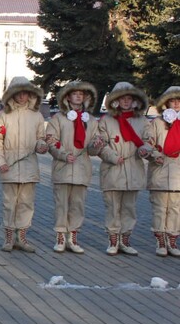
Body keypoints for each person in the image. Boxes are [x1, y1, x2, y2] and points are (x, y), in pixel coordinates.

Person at [0, 77, 48, 253]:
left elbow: (41, 138)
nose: (22, 96)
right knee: (9, 203)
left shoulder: (36, 115)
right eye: (18, 92)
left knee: (26, 203)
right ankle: (8, 238)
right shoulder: (3, 115)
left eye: (25, 92)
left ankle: (22, 237)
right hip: (10, 165)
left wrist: (41, 145)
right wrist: (1, 162)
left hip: (29, 166)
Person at [45, 81, 103, 254]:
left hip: (82, 168)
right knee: (61, 204)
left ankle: (73, 236)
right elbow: (51, 140)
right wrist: (63, 154)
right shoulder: (58, 119)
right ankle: (61, 237)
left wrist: (96, 144)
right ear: (67, 97)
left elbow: (93, 147)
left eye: (81, 94)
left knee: (78, 205)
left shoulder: (91, 121)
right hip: (63, 168)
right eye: (75, 93)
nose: (78, 96)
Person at [96, 82, 151, 256]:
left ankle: (125, 240)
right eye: (122, 99)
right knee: (113, 207)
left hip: (133, 169)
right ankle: (113, 241)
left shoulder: (142, 121)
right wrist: (112, 156)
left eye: (129, 98)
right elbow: (100, 144)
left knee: (129, 208)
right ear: (115, 101)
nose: (126, 102)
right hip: (113, 170)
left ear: (134, 101)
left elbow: (149, 141)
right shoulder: (106, 121)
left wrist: (145, 150)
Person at [144, 86, 180, 257]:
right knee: (160, 209)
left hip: (178, 174)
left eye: (179, 100)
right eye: (173, 100)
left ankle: (172, 240)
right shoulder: (157, 122)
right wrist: (154, 155)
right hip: (160, 172)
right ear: (166, 102)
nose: (176, 104)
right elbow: (147, 144)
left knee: (175, 209)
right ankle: (160, 241)